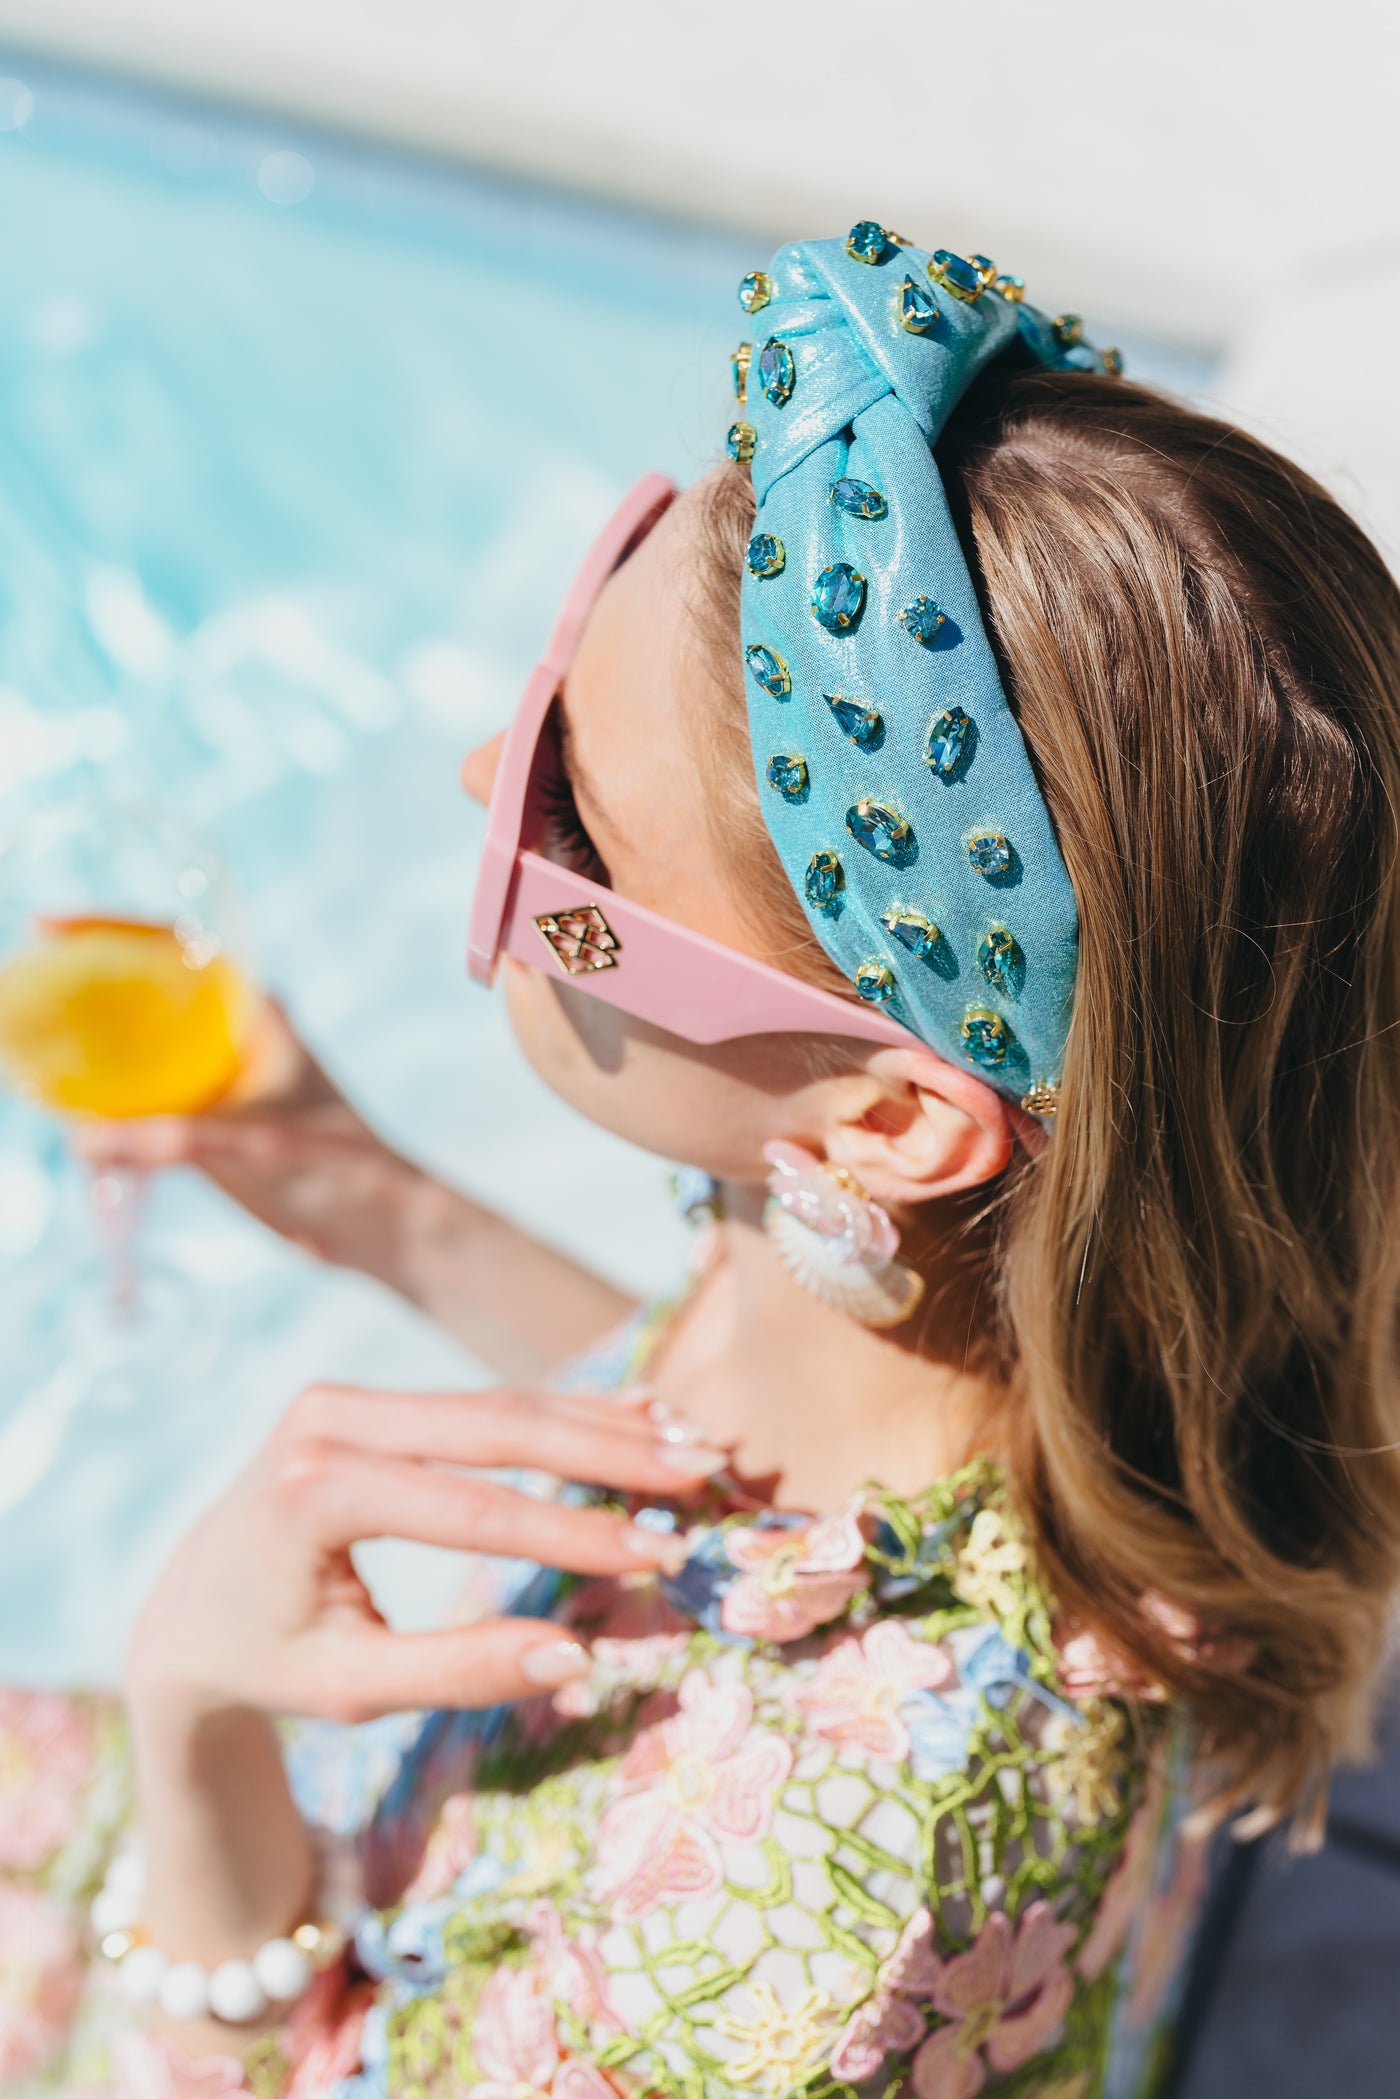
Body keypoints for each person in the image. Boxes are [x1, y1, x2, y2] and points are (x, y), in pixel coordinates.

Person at [7, 226, 1400, 2099]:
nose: (478, 770)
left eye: (566, 819)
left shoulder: (774, 1969)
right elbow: (740, 1475)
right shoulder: (1083, 1330)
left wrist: (199, 1732)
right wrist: (377, 1200)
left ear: (894, 1120)